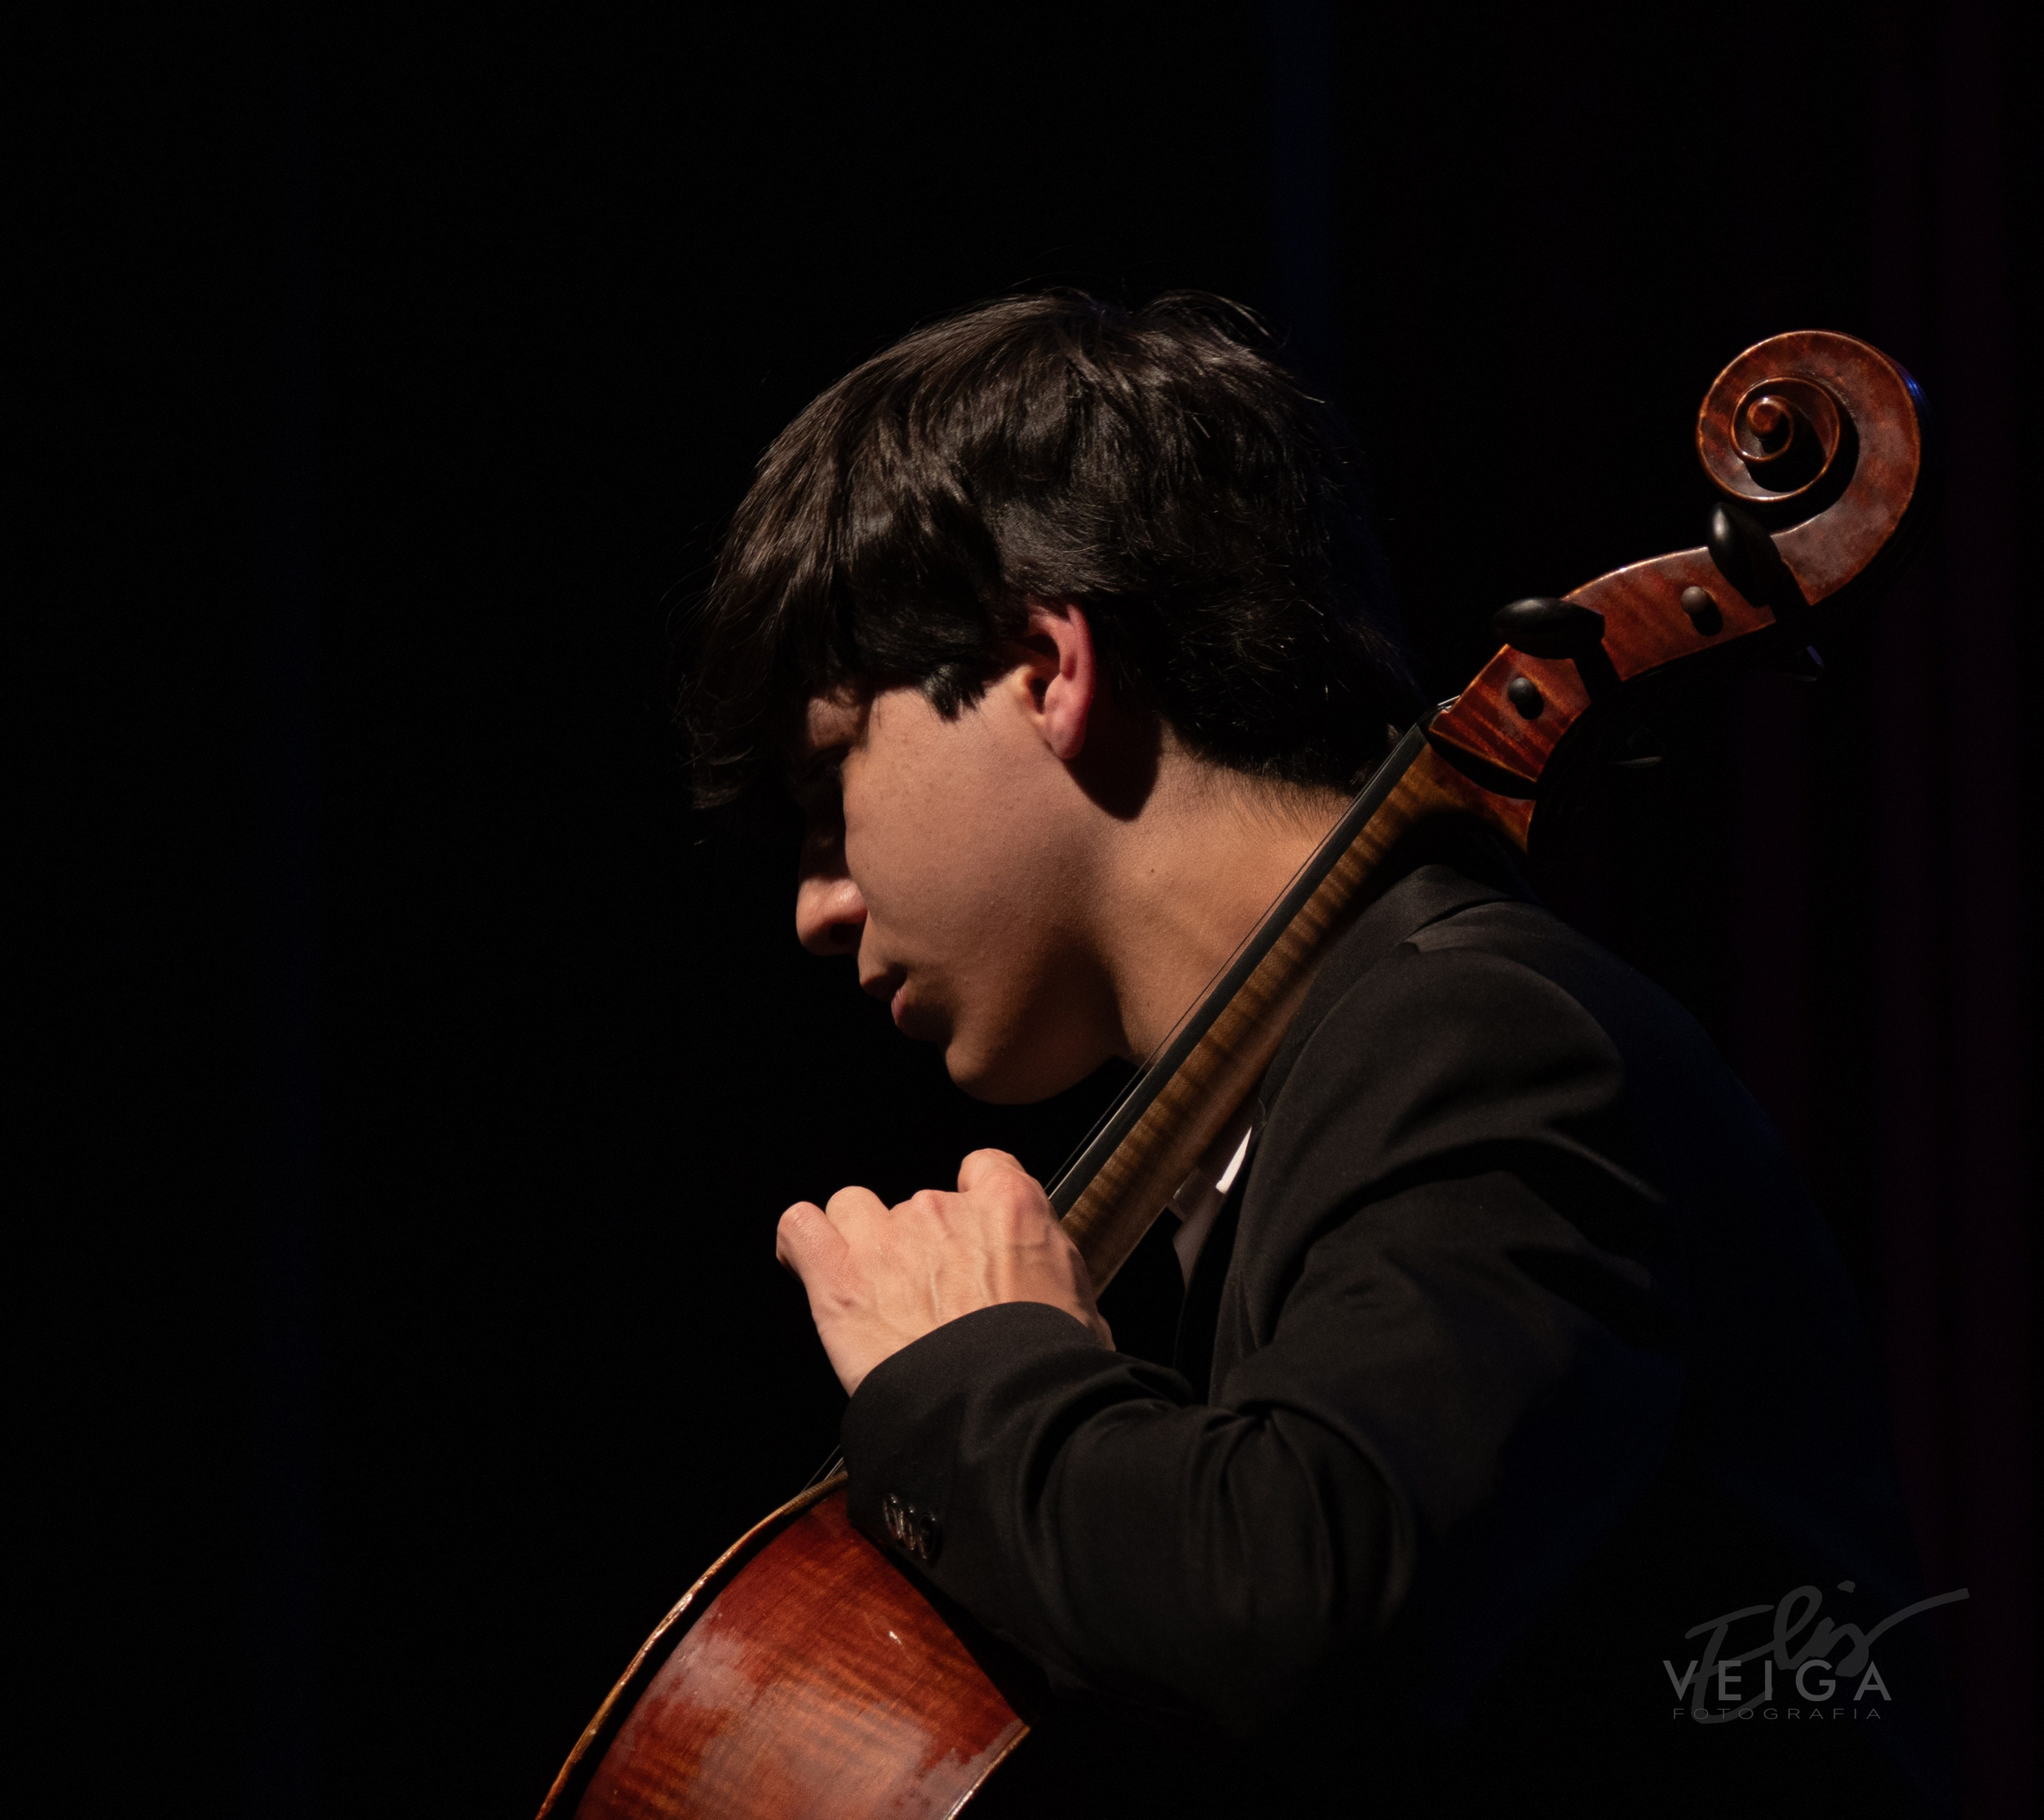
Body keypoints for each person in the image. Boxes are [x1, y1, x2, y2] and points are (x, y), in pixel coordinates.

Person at [679, 292, 1949, 1815]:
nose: (819, 903)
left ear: (1041, 668)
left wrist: (972, 1374)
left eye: (835, 782)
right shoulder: (1310, 1116)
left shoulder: (1477, 1040)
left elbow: (1287, 1607)